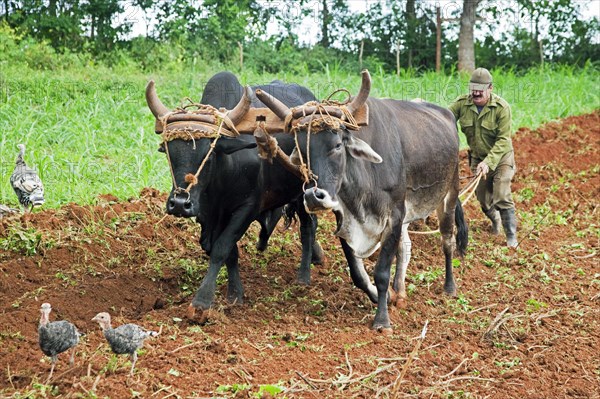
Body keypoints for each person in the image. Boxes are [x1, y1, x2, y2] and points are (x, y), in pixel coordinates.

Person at [448, 67, 518, 248]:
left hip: (501, 158)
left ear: (490, 88)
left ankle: (511, 237)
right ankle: (496, 220)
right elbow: (444, 118)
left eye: (480, 88)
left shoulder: (502, 108)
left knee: (501, 193)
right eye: (473, 88)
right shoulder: (462, 104)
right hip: (478, 158)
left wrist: (489, 162)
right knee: (483, 199)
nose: (476, 92)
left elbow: (503, 139)